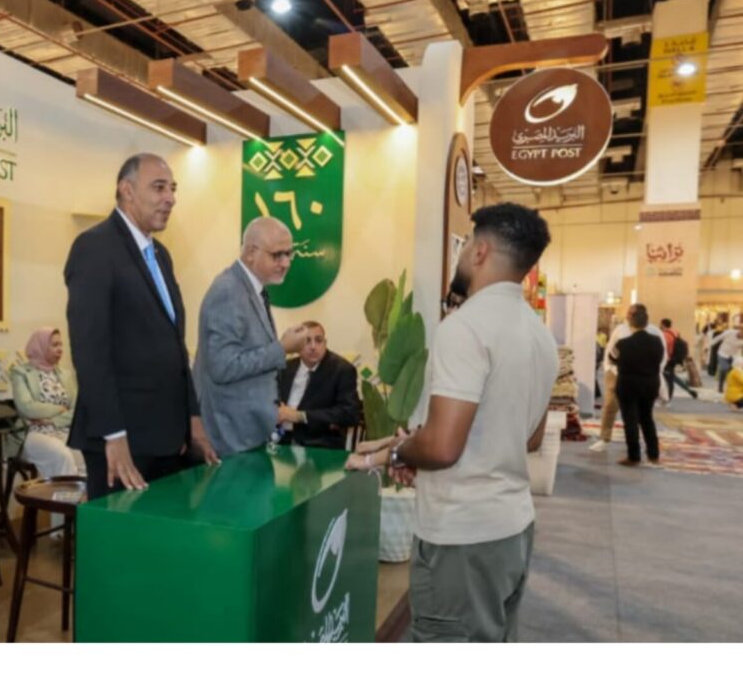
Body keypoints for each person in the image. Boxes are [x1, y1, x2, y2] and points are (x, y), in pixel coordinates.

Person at [346, 202, 558, 642]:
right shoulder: (539, 334)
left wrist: (397, 452)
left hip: (462, 535)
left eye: (464, 246)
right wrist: (412, 443)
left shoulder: (465, 327)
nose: (460, 255)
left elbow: (443, 447)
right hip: (512, 529)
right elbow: (528, 436)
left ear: (480, 251)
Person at [64, 153, 218, 500]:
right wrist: (113, 434)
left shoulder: (161, 255)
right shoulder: (95, 247)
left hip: (168, 439)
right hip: (122, 442)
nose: (170, 198)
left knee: (163, 532)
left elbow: (175, 347)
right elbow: (90, 351)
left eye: (173, 189)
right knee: (120, 534)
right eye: (159, 187)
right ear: (127, 190)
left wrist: (192, 417)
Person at [193, 216, 307, 456]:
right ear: (251, 252)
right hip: (229, 435)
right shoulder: (228, 290)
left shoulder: (252, 288)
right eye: (277, 255)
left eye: (289, 254)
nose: (286, 263)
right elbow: (222, 367)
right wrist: (282, 349)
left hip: (248, 432)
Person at [10, 327, 85, 529]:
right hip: (34, 434)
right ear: (40, 346)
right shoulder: (21, 373)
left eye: (61, 344)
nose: (60, 349)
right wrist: (60, 409)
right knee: (62, 455)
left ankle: (80, 522)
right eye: (54, 345)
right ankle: (61, 527)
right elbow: (27, 407)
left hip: (62, 429)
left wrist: (52, 420)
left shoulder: (66, 374)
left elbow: (77, 409)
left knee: (84, 454)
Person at [589, 304, 667, 454]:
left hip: (636, 379)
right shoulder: (621, 330)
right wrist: (609, 369)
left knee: (635, 416)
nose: (627, 316)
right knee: (611, 407)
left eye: (630, 313)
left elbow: (663, 358)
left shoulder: (654, 333)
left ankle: (635, 453)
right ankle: (606, 438)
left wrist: (653, 371)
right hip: (620, 375)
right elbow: (610, 352)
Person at [275, 321, 361, 450]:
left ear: (325, 343)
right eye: (307, 341)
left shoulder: (342, 370)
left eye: (318, 340)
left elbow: (350, 414)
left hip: (319, 445)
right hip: (280, 441)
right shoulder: (285, 368)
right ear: (297, 345)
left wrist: (300, 416)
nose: (313, 347)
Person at [610, 307, 665, 466]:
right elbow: (660, 358)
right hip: (650, 383)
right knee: (647, 418)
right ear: (646, 322)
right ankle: (653, 455)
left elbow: (612, 357)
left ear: (630, 322)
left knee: (630, 420)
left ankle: (634, 456)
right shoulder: (657, 341)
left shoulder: (623, 343)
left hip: (628, 384)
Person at [659, 318, 697, 399]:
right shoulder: (675, 332)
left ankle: (668, 397)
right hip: (675, 358)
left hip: (669, 359)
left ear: (663, 324)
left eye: (660, 324)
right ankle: (689, 391)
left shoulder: (665, 335)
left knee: (669, 378)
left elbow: (667, 348)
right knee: (671, 377)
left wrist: (665, 358)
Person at [711, 326, 743, 393]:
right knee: (724, 368)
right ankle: (720, 386)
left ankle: (732, 388)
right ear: (740, 330)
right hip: (723, 354)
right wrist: (710, 345)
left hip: (734, 356)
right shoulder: (730, 332)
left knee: (735, 372)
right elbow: (719, 338)